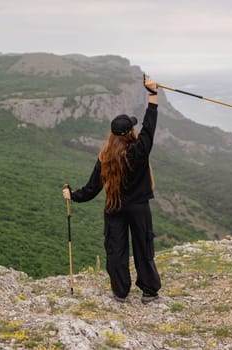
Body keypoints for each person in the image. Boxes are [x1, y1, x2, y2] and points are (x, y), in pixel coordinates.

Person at [63, 75, 161, 304]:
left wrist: (72, 195)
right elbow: (149, 129)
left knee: (115, 249)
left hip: (114, 207)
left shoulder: (105, 157)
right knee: (142, 247)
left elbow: (91, 189)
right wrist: (153, 95)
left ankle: (120, 291)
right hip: (139, 208)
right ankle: (149, 291)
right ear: (129, 133)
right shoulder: (138, 152)